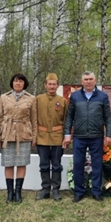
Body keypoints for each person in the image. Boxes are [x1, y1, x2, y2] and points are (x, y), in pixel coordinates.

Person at [63, 71, 111, 203]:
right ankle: (79, 192)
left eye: (91, 79)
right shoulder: (75, 96)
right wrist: (67, 134)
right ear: (82, 81)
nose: (88, 81)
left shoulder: (102, 97)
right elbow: (69, 117)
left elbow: (108, 117)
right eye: (86, 79)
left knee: (97, 165)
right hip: (79, 136)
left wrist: (108, 135)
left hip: (96, 136)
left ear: (95, 80)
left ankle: (96, 192)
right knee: (78, 165)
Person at [0, 73, 37, 204]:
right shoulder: (4, 97)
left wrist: (34, 137)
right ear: (12, 83)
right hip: (7, 134)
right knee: (9, 163)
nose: (18, 83)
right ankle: (9, 192)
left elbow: (34, 119)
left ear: (24, 84)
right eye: (16, 81)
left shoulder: (31, 98)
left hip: (24, 135)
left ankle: (18, 192)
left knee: (22, 163)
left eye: (21, 81)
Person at [35, 73, 68, 201]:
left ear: (57, 85)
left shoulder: (63, 101)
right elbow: (34, 117)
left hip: (57, 137)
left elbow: (66, 120)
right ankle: (45, 189)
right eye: (49, 84)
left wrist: (66, 137)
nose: (52, 86)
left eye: (54, 84)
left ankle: (55, 189)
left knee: (56, 165)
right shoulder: (38, 99)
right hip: (41, 136)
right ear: (45, 85)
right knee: (43, 164)